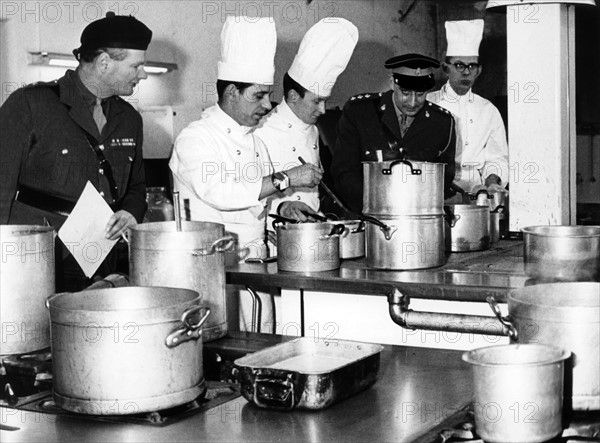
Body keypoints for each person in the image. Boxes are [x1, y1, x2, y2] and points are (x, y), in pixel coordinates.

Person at [169, 16, 321, 331]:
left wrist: (284, 206)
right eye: (258, 95)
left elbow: (258, 199)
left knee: (260, 343)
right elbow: (220, 192)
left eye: (268, 94)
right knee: (219, 346)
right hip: (210, 267)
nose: (268, 105)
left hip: (255, 265)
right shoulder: (195, 137)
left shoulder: (255, 143)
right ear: (231, 93)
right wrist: (287, 178)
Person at [0, 12, 152, 292]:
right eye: (136, 66)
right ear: (105, 63)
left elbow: (136, 187)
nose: (142, 73)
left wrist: (131, 212)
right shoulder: (30, 106)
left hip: (99, 263)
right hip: (36, 262)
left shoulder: (129, 119)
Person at [254, 18, 358, 222]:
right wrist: (283, 208)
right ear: (293, 96)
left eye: (325, 101)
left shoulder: (313, 130)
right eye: (317, 101)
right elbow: (244, 197)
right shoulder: (260, 131)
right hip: (277, 235)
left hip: (312, 230)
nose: (323, 110)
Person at [331, 53, 456, 213]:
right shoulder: (360, 112)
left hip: (416, 217)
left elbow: (444, 179)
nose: (412, 102)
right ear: (392, 83)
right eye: (405, 93)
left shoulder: (441, 122)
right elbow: (344, 172)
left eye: (420, 94)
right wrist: (378, 206)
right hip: (368, 214)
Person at [427, 19, 509, 198]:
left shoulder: (488, 110)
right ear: (445, 68)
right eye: (459, 65)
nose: (466, 72)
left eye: (472, 66)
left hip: (475, 192)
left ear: (479, 70)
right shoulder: (428, 104)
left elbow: (497, 158)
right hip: (432, 189)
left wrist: (492, 182)